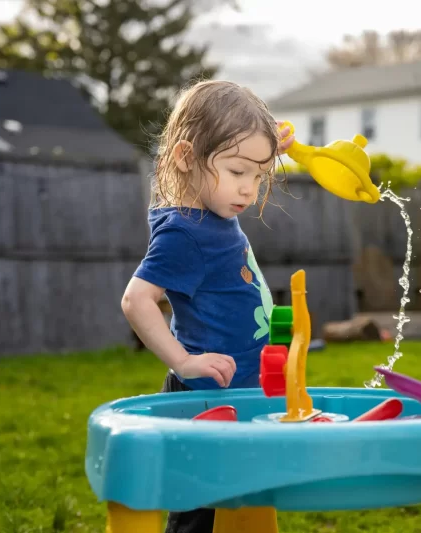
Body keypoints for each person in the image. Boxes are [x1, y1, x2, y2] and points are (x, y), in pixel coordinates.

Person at [120, 79, 295, 533]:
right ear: (184, 158)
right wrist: (183, 361)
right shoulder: (186, 232)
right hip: (205, 396)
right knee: (199, 509)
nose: (249, 189)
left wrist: (272, 147)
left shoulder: (213, 214)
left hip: (237, 392)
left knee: (238, 501)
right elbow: (137, 299)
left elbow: (246, 157)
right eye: (238, 172)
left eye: (259, 176)